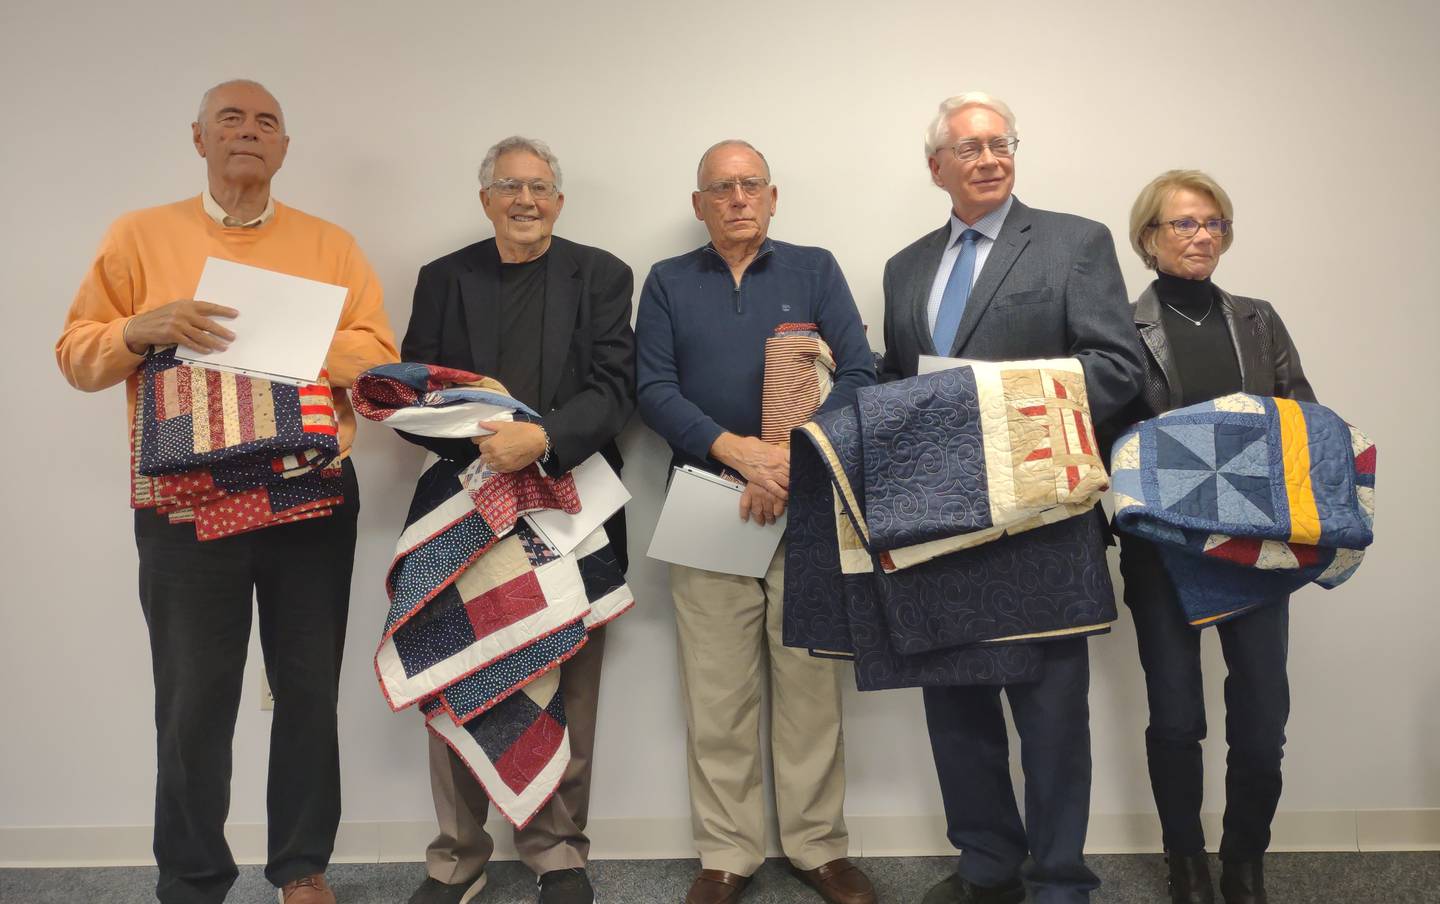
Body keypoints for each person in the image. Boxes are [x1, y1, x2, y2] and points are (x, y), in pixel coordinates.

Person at [55, 78, 399, 904]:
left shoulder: (332, 244)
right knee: (191, 698)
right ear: (199, 139)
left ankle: (303, 868)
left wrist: (295, 334)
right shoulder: (138, 236)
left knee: (309, 687)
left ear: (284, 148)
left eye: (267, 122)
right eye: (231, 120)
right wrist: (142, 328)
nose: (250, 132)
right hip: (183, 505)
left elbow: (376, 356)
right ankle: (192, 876)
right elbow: (76, 354)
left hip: (311, 496)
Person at [879, 92, 1144, 904]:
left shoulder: (1074, 242)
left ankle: (1060, 880)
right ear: (936, 167)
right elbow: (901, 385)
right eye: (970, 148)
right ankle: (988, 869)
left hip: (1043, 522)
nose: (990, 158)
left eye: (1002, 143)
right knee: (957, 714)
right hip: (939, 524)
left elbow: (1117, 368)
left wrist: (996, 406)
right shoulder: (905, 266)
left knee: (1052, 718)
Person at [635, 140, 878, 904]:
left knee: (809, 684)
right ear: (698, 203)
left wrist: (787, 456)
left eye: (750, 185)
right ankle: (728, 853)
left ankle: (816, 846)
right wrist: (738, 451)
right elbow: (652, 386)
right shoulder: (669, 282)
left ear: (773, 198)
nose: (737, 198)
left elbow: (864, 372)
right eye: (721, 188)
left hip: (806, 502)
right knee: (718, 692)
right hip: (707, 500)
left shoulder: (815, 268)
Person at [398, 135, 636, 904]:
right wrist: (483, 440)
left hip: (574, 501)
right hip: (462, 506)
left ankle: (558, 852)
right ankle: (456, 858)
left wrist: (544, 438)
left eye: (538, 188)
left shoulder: (601, 274)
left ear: (559, 202)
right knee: (456, 671)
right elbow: (412, 393)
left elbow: (615, 386)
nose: (525, 200)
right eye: (509, 187)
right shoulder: (444, 278)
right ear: (485, 200)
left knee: (567, 677)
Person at [1116, 169, 1315, 904]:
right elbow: (1104, 434)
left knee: (1263, 718)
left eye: (1214, 224)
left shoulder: (1259, 318)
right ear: (1149, 238)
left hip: (1257, 547)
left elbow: (1300, 420)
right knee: (1175, 717)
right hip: (1162, 547)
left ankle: (1244, 864)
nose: (1202, 236)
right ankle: (1187, 865)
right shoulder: (1120, 325)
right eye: (1184, 224)